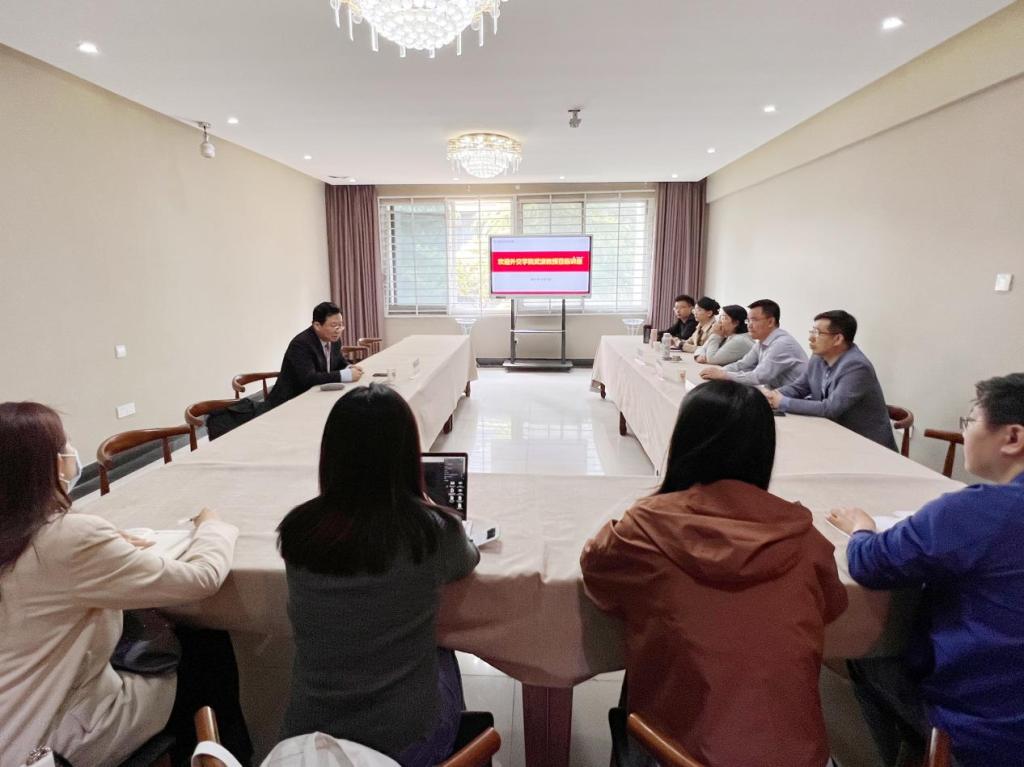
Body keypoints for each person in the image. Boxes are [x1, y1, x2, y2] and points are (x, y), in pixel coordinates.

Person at [581, 381, 848, 767]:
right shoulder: (804, 536)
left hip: (679, 754)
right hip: (799, 756)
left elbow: (596, 572)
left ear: (684, 443)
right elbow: (833, 606)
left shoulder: (647, 526)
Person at [0, 401, 244, 767]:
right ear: (47, 466)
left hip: (14, 723)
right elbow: (202, 579)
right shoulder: (64, 539)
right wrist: (213, 527)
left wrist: (104, 543)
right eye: (64, 446)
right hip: (52, 740)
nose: (71, 454)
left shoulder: (21, 534)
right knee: (204, 651)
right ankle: (221, 755)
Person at [277, 384, 480, 767]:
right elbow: (467, 560)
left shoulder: (298, 529)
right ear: (408, 456)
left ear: (331, 455)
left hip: (308, 740)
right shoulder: (433, 531)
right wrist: (430, 506)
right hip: (403, 744)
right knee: (442, 647)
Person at [828, 373, 1024, 767]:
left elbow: (869, 563)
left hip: (981, 733)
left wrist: (861, 528)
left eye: (970, 421)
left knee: (859, 651)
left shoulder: (979, 511)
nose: (965, 432)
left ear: (1013, 437)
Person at [763, 310, 897, 450]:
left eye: (817, 333)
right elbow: (799, 387)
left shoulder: (857, 366)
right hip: (832, 435)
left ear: (837, 339)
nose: (810, 338)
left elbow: (830, 408)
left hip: (867, 445)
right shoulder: (818, 357)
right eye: (812, 331)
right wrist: (771, 395)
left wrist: (782, 402)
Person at [266, 301, 365, 409]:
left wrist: (349, 367)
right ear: (317, 325)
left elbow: (339, 362)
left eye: (340, 325)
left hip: (318, 395)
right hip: (290, 402)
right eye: (333, 325)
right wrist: (345, 375)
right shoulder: (301, 344)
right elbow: (309, 379)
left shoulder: (334, 340)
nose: (338, 330)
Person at [700, 298, 807, 389]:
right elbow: (743, 364)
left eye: (754, 320)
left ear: (770, 322)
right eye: (748, 321)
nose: (749, 325)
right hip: (776, 395)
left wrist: (723, 374)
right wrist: (718, 372)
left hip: (793, 401)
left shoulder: (781, 344)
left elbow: (758, 377)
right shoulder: (762, 342)